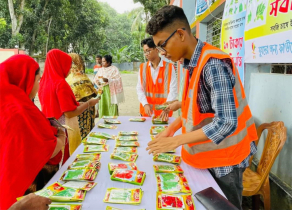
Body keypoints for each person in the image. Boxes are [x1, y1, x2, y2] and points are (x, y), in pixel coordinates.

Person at [146, 6, 258, 210]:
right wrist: (171, 129)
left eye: (162, 46)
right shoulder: (191, 63)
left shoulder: (212, 64)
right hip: (208, 156)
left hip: (226, 160)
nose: (162, 53)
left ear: (180, 34)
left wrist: (177, 140)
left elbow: (226, 123)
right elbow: (192, 109)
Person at [0, 55, 66, 210]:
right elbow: (44, 149)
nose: (39, 85)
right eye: (37, 80)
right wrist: (62, 135)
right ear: (26, 80)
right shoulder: (21, 109)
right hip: (27, 191)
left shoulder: (6, 102)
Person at [38, 49, 99, 158]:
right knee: (67, 161)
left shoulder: (43, 82)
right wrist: (88, 103)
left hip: (50, 127)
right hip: (64, 129)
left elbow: (60, 104)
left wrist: (79, 103)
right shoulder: (60, 84)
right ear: (60, 65)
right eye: (68, 66)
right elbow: (70, 113)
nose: (69, 70)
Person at [137, 37, 177, 120]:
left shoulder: (169, 67)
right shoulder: (142, 68)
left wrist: (166, 107)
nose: (146, 54)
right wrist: (145, 104)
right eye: (144, 52)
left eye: (148, 50)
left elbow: (173, 89)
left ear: (157, 49)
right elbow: (139, 89)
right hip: (146, 113)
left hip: (163, 114)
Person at [66, 53, 98, 139]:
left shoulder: (67, 76)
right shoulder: (83, 76)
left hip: (76, 109)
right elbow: (94, 92)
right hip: (87, 107)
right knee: (87, 131)